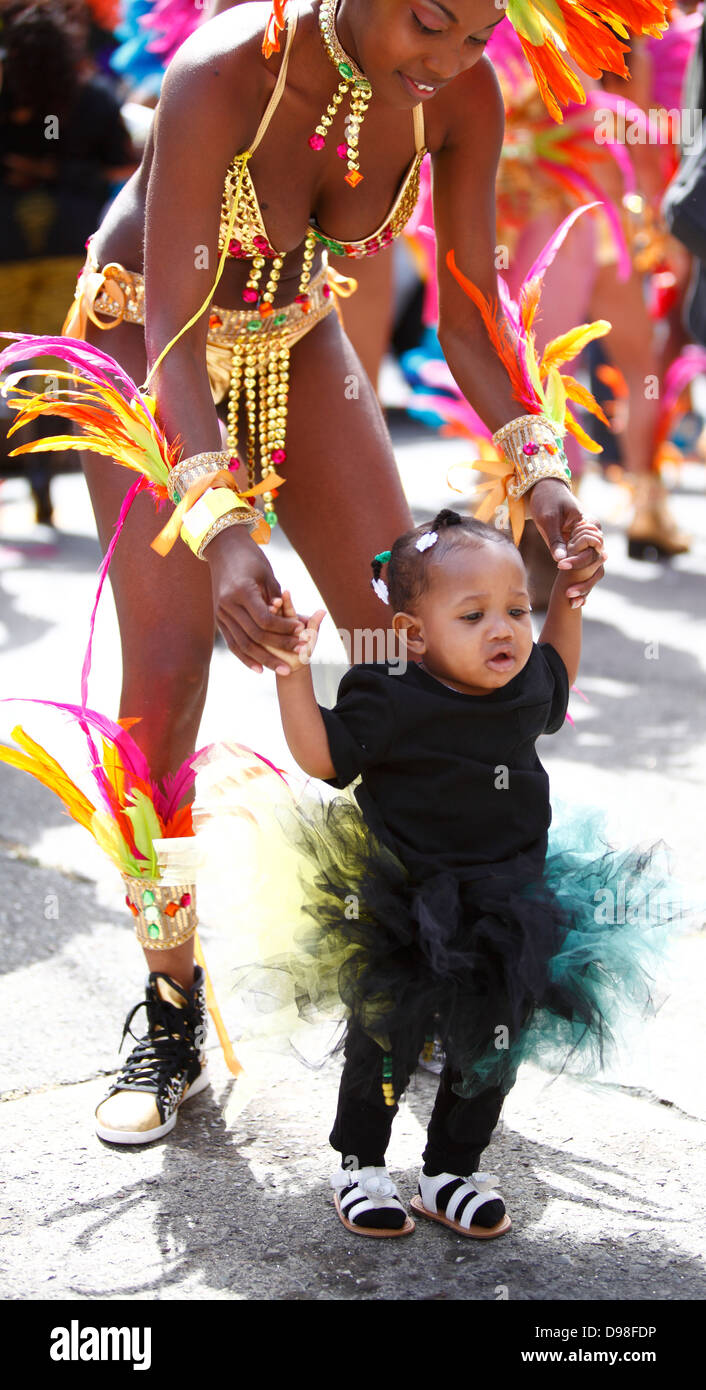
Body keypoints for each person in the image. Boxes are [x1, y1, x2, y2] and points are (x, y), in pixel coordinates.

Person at [8, 0, 663, 1145]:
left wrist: (543, 475)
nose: (452, 59)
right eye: (428, 24)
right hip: (148, 349)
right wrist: (222, 534)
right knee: (164, 684)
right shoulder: (227, 68)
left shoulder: (459, 93)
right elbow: (171, 318)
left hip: (292, 334)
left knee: (404, 648)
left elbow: (469, 318)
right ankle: (168, 1009)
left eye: (478, 34)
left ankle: (417, 983)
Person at [267, 507, 666, 1237]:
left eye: (517, 609)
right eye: (475, 614)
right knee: (384, 1036)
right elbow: (325, 759)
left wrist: (568, 602)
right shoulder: (388, 694)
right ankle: (360, 1162)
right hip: (404, 897)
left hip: (507, 899)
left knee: (492, 1039)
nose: (505, 629)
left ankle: (453, 1167)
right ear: (415, 636)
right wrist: (294, 673)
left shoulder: (523, 685)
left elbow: (558, 674)